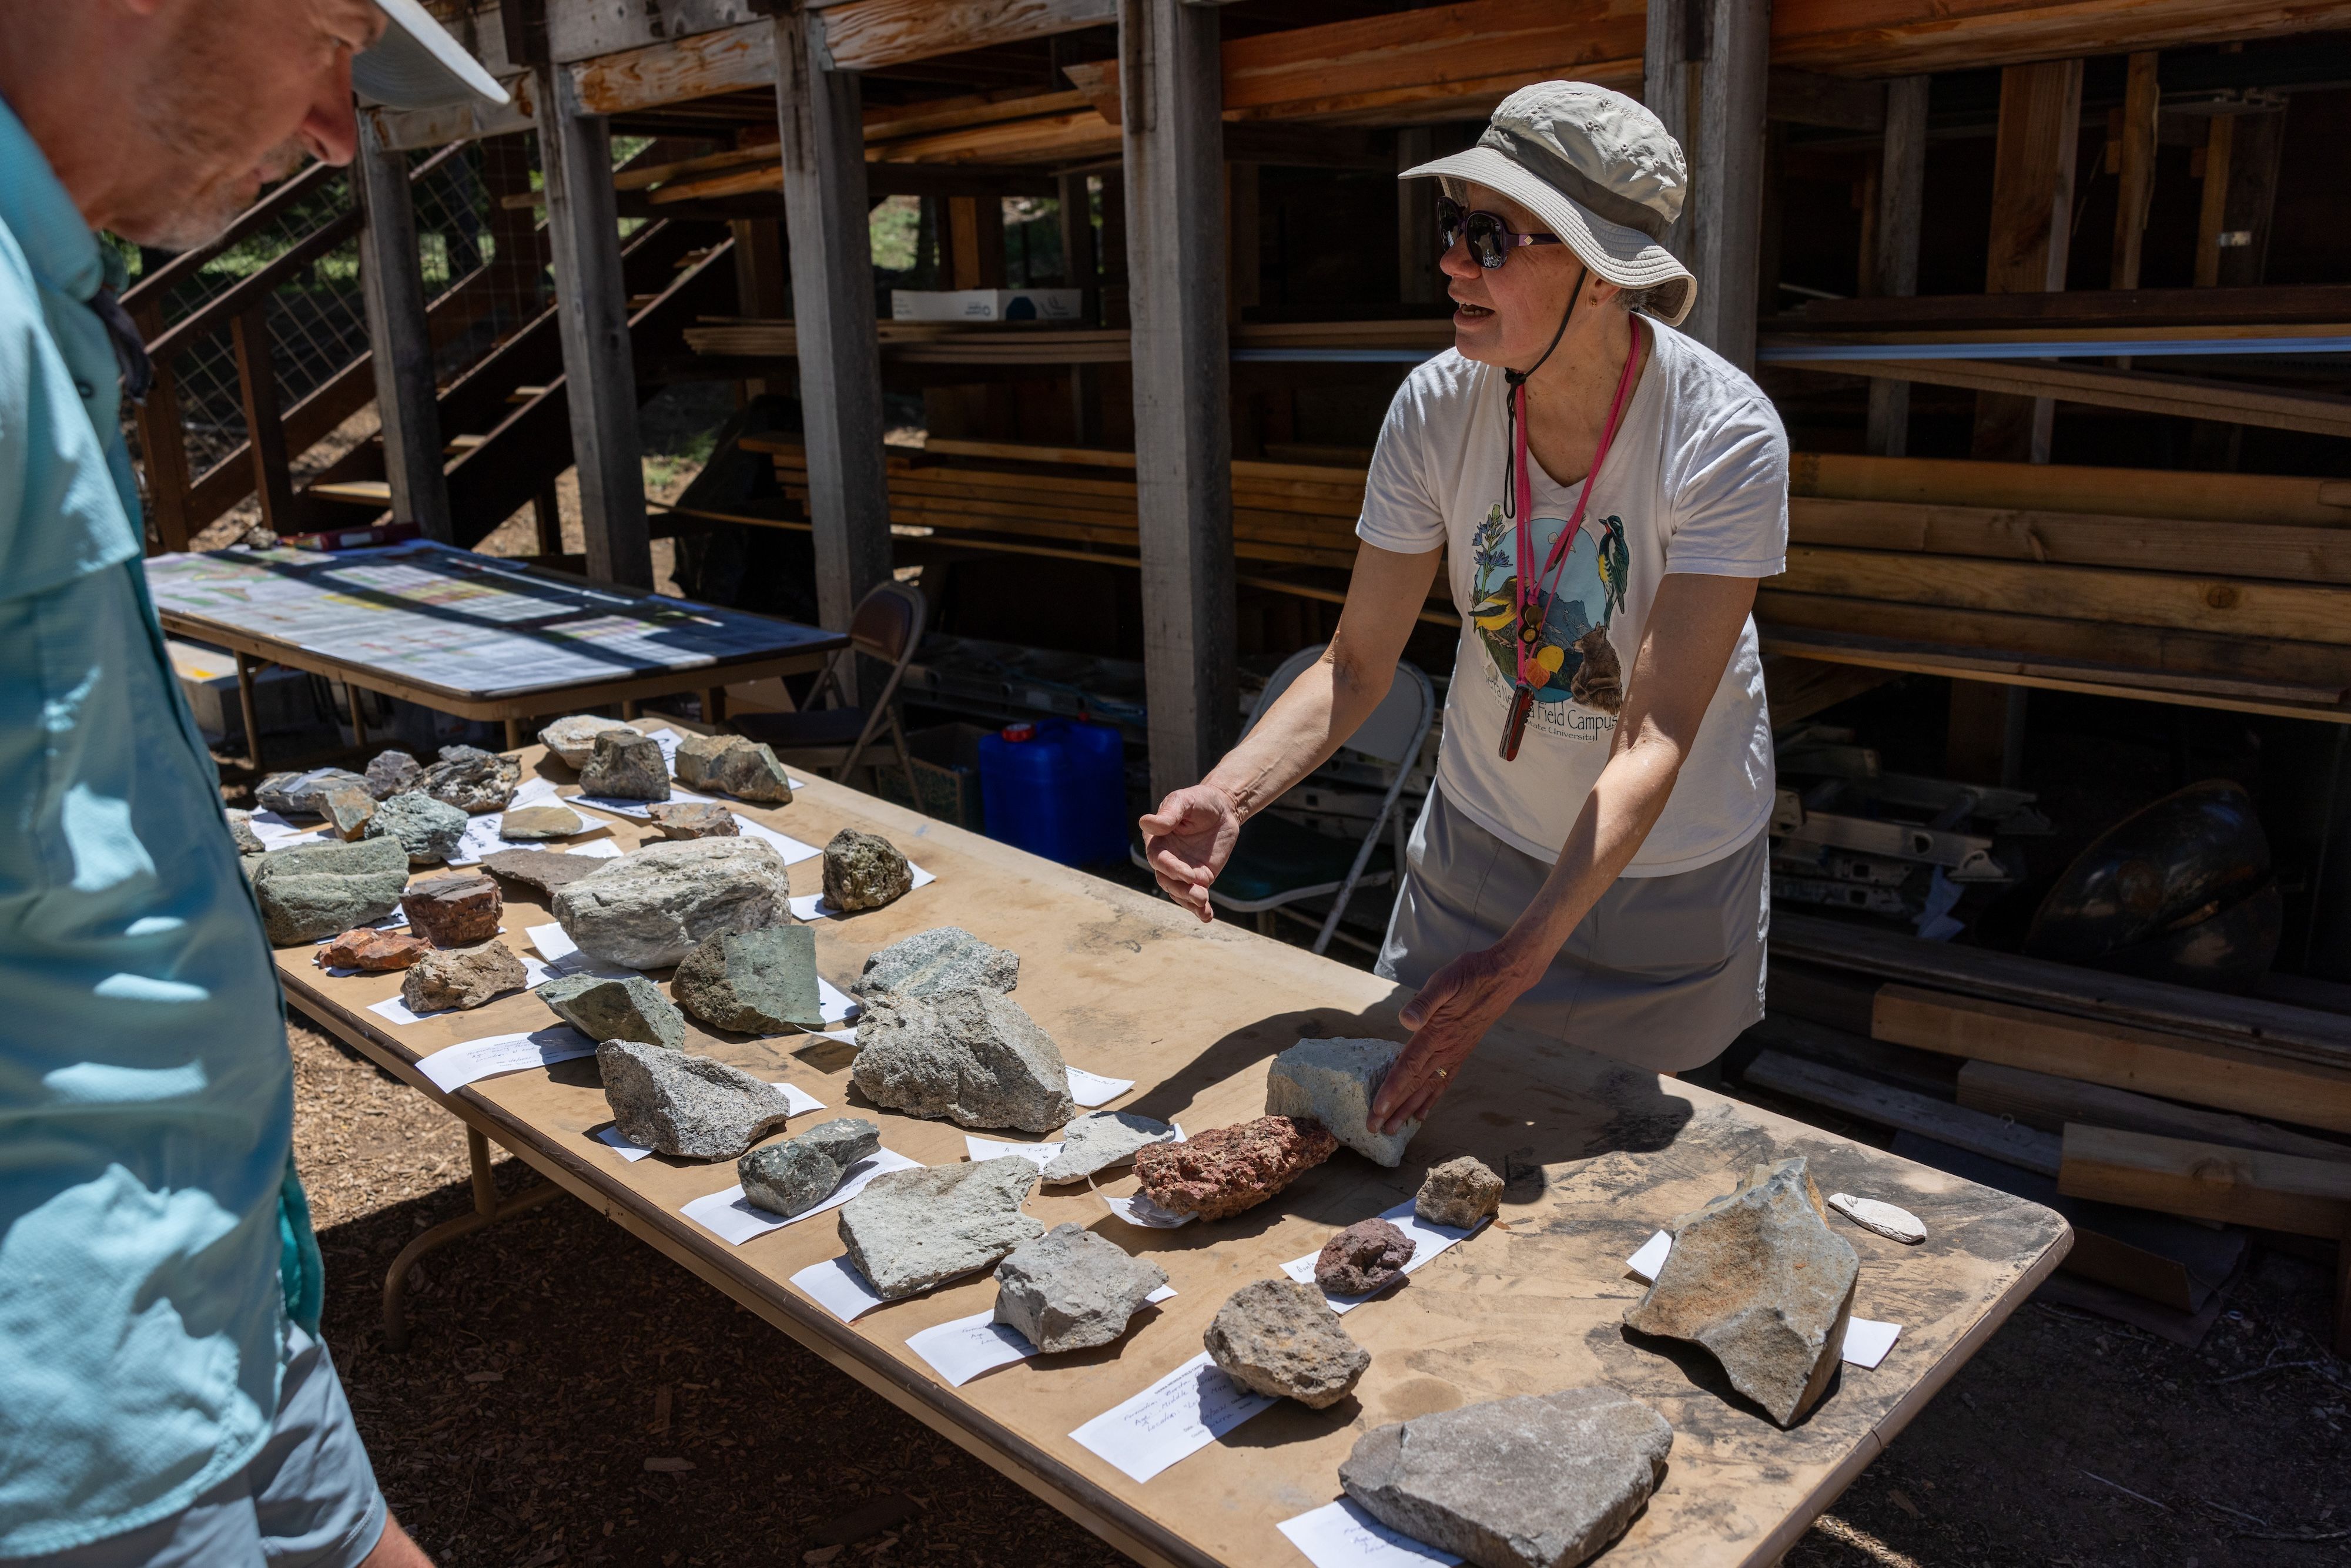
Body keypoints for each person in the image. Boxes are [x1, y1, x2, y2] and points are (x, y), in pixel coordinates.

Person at [0, 4, 503, 1564]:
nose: (342, 129)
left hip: (200, 1294)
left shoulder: (42, 299)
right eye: (336, 33)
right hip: (60, 1394)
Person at [1141, 82, 1787, 1137]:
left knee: (1608, 1166)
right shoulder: (1436, 406)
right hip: (1482, 841)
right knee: (1410, 1128)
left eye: (1489, 236)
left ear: (1598, 273)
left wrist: (1525, 958)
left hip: (1665, 864)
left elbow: (1654, 732)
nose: (1450, 261)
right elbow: (1356, 664)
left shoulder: (1723, 437)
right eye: (1453, 226)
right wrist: (1230, 793)